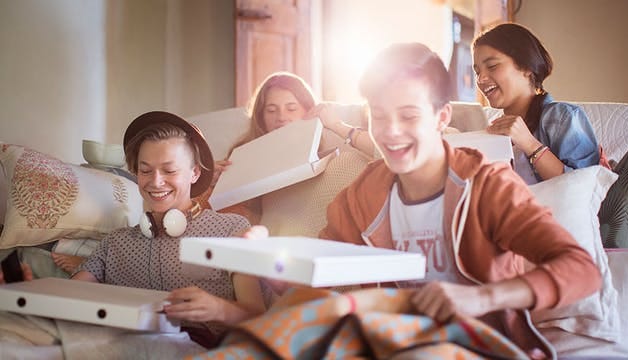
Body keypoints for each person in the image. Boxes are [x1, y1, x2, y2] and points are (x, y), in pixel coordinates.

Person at [313, 42, 601, 358]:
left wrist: (484, 298)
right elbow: (314, 269)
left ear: (441, 118)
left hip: (483, 347)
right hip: (393, 344)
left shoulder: (487, 186)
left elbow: (581, 269)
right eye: (378, 116)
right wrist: (264, 259)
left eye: (408, 116)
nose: (391, 132)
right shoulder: (366, 191)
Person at [1, 111, 266, 347]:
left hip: (188, 344)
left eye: (169, 170)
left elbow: (257, 315)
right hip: (108, 338)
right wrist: (30, 293)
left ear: (194, 173)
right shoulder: (115, 243)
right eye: (145, 170)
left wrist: (218, 309)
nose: (156, 181)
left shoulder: (232, 230)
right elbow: (73, 299)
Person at [215, 71, 377, 224]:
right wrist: (210, 183)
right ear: (261, 118)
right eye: (271, 110)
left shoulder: (335, 143)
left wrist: (337, 125)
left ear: (309, 110)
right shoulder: (244, 156)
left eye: (291, 108)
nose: (281, 117)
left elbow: (383, 153)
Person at [472, 22, 606, 184]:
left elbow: (586, 188)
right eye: (477, 72)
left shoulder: (562, 117)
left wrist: (529, 143)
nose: (481, 79)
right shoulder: (494, 130)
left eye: (492, 66)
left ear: (526, 66)